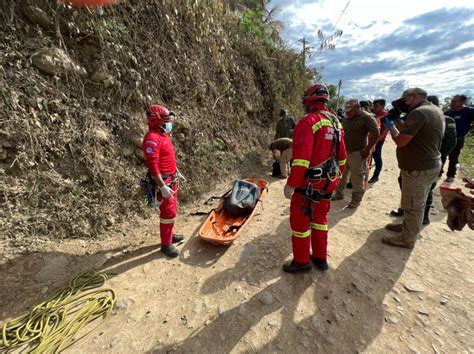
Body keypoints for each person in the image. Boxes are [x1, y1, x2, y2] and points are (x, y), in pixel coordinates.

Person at [282, 83, 347, 273]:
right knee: (320, 220)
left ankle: (301, 262)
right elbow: (342, 157)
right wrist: (334, 180)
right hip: (328, 182)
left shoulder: (308, 121)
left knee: (300, 222)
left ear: (308, 99)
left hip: (308, 184)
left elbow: (302, 158)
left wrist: (291, 183)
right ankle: (320, 258)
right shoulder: (336, 123)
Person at [382, 88, 444, 248]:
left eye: (404, 101)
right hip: (427, 165)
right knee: (416, 201)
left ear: (413, 97)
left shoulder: (419, 113)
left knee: (414, 204)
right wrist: (398, 122)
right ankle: (407, 228)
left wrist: (390, 126)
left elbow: (401, 140)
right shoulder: (433, 110)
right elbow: (412, 132)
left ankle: (407, 239)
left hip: (419, 168)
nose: (402, 105)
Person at [143, 104, 184, 258]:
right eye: (166, 119)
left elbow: (167, 158)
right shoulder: (152, 138)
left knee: (172, 210)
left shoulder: (163, 135)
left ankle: (170, 235)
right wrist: (162, 186)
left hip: (171, 178)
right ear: (157, 121)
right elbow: (153, 166)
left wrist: (176, 171)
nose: (169, 122)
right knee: (168, 212)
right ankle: (166, 245)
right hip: (164, 182)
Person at [333, 99, 379, 208]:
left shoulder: (367, 117)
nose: (347, 113)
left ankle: (356, 200)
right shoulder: (347, 117)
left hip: (358, 153)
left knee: (357, 178)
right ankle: (339, 193)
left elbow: (376, 134)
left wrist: (367, 150)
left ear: (358, 107)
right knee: (342, 175)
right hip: (345, 152)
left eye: (350, 111)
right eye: (347, 111)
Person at [441, 94, 474, 182]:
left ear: (462, 102)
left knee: (454, 157)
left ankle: (451, 175)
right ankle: (438, 173)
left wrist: (469, 130)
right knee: (441, 156)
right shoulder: (447, 113)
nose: (451, 103)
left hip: (458, 139)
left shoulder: (469, 111)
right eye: (452, 101)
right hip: (445, 139)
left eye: (454, 101)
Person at [368, 99, 388, 183]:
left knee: (377, 157)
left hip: (379, 140)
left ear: (383, 106)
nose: (374, 108)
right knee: (369, 157)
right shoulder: (374, 114)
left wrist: (376, 141)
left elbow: (386, 130)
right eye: (374, 106)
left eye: (377, 106)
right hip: (371, 139)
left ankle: (376, 176)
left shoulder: (386, 116)